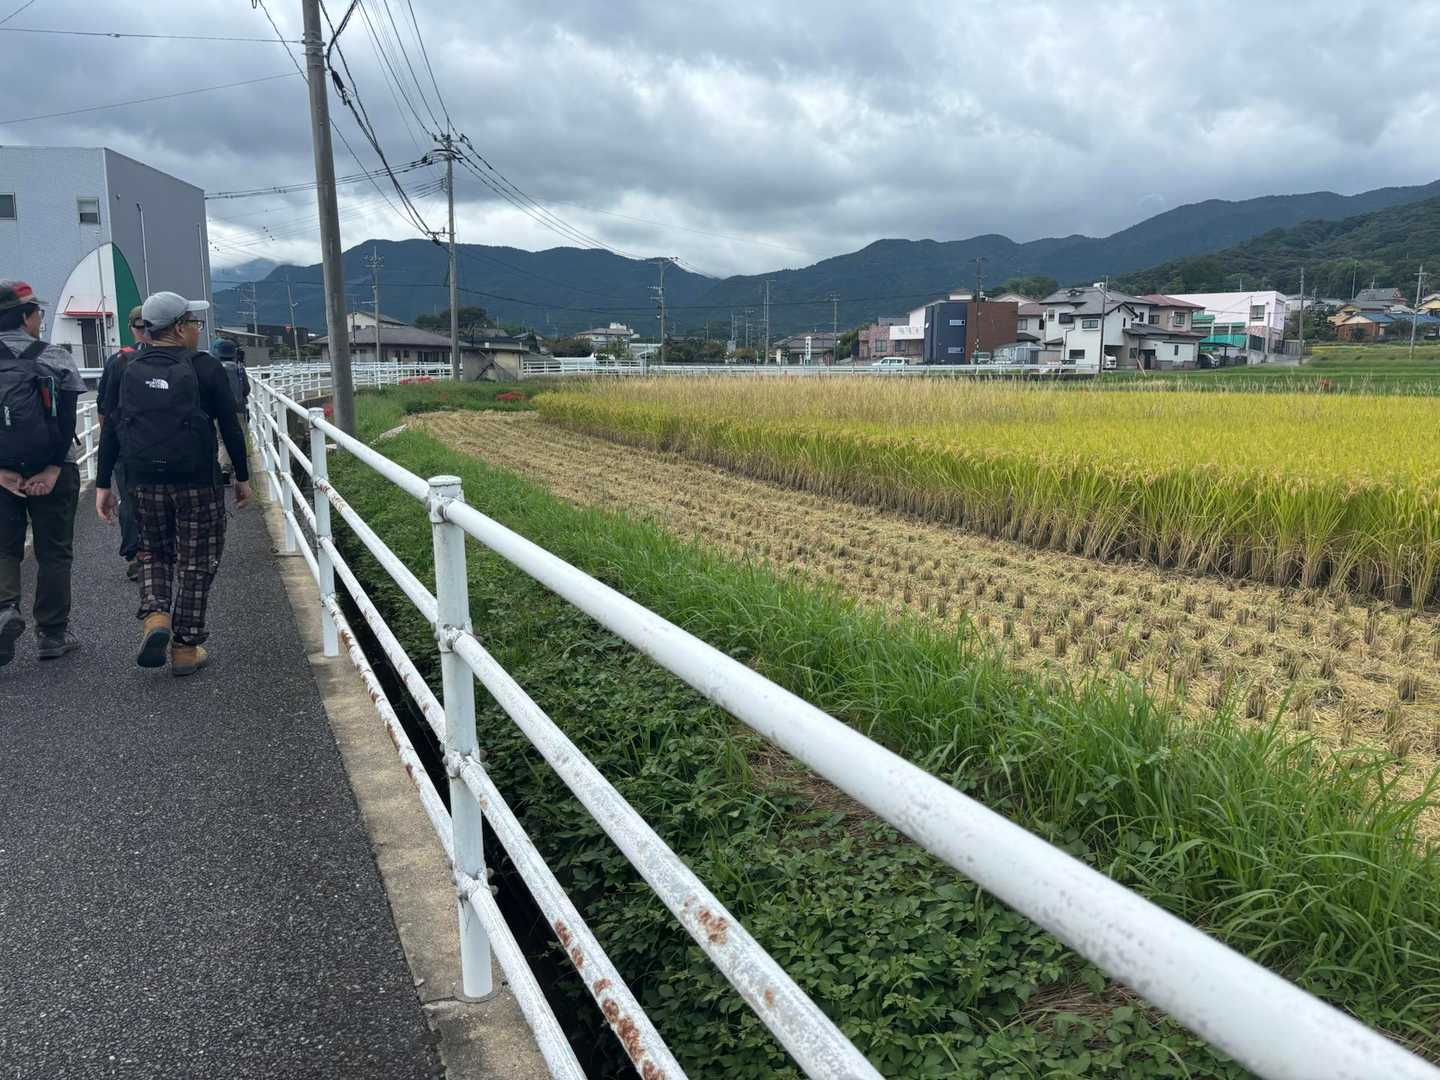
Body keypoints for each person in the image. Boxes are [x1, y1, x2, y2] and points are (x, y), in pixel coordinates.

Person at [95, 291, 252, 677]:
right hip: (197, 482)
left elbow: (111, 428)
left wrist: (103, 484)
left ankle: (156, 617)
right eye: (194, 323)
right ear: (179, 329)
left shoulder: (124, 366)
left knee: (152, 551)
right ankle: (185, 648)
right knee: (198, 562)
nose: (197, 330)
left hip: (143, 481)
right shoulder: (206, 367)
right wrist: (242, 477)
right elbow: (230, 427)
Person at [0, 280, 85, 666]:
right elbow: (67, 420)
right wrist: (51, 470)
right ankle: (52, 634)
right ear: (25, 317)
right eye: (38, 313)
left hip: (3, 472)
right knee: (54, 552)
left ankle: (5, 609)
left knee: (4, 548)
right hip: (55, 468)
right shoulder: (54, 356)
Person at [96, 306, 149, 580]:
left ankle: (137, 555)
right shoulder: (173, 357)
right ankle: (166, 551)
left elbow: (103, 409)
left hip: (125, 445)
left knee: (129, 501)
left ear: (131, 328)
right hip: (165, 446)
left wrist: (110, 445)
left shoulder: (118, 360)